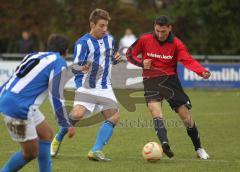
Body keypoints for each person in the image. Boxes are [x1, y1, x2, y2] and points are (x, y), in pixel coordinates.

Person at [126, 15, 211, 160]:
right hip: (151, 79)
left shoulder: (177, 44)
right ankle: (164, 144)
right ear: (154, 27)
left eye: (163, 31)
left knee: (185, 116)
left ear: (170, 28)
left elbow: (187, 60)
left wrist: (201, 71)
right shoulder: (145, 39)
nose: (160, 34)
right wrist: (141, 63)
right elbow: (129, 54)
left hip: (170, 81)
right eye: (157, 31)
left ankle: (199, 148)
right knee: (155, 111)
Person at [51, 9, 122, 162]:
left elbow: (111, 58)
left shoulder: (110, 39)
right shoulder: (82, 43)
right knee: (77, 115)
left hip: (105, 87)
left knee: (114, 116)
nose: (104, 29)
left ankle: (96, 150)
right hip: (86, 86)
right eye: (101, 26)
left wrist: (116, 58)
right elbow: (75, 66)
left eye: (106, 26)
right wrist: (81, 67)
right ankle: (58, 137)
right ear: (92, 24)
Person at [0, 34, 75, 172]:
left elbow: (15, 77)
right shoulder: (59, 61)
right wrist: (65, 122)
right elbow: (56, 95)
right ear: (65, 51)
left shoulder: (34, 55)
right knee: (30, 153)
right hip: (19, 108)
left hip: (13, 100)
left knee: (46, 134)